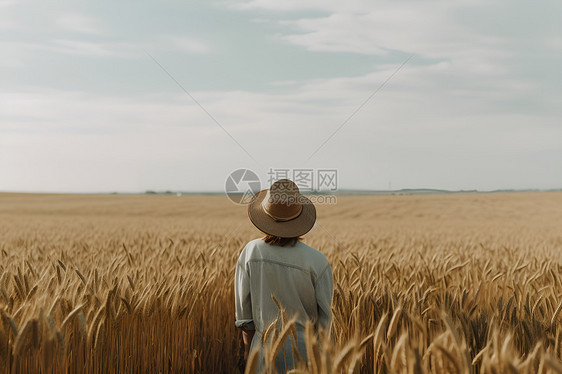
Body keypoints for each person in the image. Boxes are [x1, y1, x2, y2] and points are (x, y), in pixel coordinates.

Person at [234, 179, 333, 372]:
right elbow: (326, 324)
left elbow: (244, 318)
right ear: (299, 218)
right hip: (306, 356)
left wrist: (248, 353)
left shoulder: (251, 252)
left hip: (262, 352)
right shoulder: (318, 261)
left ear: (265, 216)